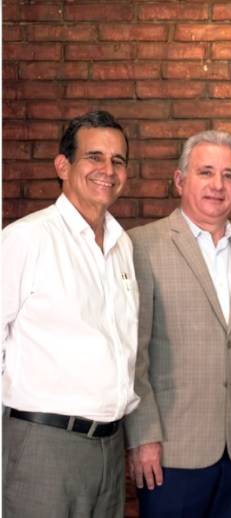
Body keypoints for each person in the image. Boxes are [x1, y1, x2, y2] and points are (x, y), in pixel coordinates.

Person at [125, 130, 231, 518]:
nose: (218, 185)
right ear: (180, 180)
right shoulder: (140, 247)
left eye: (229, 176)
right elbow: (132, 353)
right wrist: (143, 436)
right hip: (171, 451)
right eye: (206, 172)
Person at [2, 110, 138, 517]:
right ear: (63, 165)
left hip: (109, 448)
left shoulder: (121, 245)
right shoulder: (26, 239)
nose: (107, 170)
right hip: (43, 445)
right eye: (94, 157)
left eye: (118, 160)